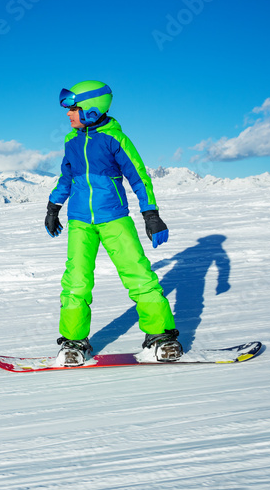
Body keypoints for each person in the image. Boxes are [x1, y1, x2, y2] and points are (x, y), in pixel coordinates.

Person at [44, 80, 182, 366]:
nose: (68, 115)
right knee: (75, 282)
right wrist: (53, 206)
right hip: (80, 222)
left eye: (74, 109)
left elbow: (139, 176)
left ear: (92, 110)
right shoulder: (71, 141)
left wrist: (151, 214)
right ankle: (73, 342)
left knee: (138, 275)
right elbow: (67, 177)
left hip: (114, 219)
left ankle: (161, 336)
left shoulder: (115, 139)